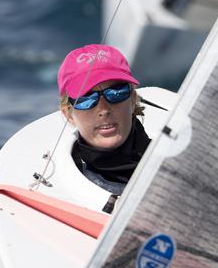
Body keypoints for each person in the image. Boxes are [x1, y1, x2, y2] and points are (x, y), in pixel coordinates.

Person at [57, 44, 150, 207]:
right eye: (86, 99)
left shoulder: (170, 161)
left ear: (133, 100)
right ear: (68, 115)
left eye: (116, 93)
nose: (103, 109)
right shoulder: (60, 186)